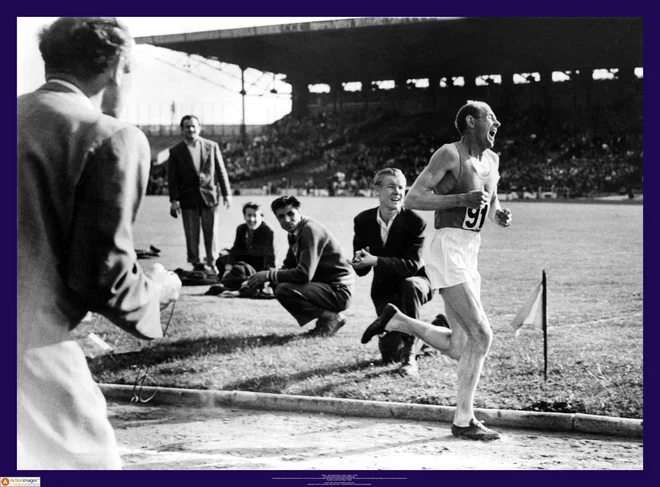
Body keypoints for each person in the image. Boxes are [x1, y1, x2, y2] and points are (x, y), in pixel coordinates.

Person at [17, 17, 182, 469]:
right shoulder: (109, 135)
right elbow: (104, 277)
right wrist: (158, 290)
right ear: (116, 67)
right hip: (30, 350)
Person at [361, 100, 512, 440]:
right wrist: (460, 200)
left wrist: (499, 214)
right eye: (492, 118)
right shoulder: (449, 154)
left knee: (461, 345)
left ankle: (397, 321)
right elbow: (413, 198)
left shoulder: (492, 160)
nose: (497, 124)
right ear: (472, 122)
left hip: (470, 250)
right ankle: (463, 420)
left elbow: (491, 200)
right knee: (483, 335)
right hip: (447, 247)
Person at [352, 168, 442, 377]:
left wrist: (375, 260)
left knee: (409, 285)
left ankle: (410, 359)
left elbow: (411, 265)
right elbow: (363, 270)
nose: (398, 192)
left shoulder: (415, 222)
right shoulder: (363, 220)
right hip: (386, 289)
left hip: (419, 281)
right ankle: (436, 327)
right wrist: (359, 263)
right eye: (391, 186)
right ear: (377, 190)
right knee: (390, 354)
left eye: (401, 187)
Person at [245, 196, 354, 336]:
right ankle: (325, 323)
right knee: (277, 284)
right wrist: (261, 280)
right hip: (326, 287)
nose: (287, 220)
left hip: (339, 291)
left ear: (299, 211)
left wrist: (268, 275)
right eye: (281, 216)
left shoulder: (309, 230)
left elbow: (303, 274)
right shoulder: (295, 232)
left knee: (284, 289)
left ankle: (331, 318)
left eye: (291, 214)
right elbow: (288, 265)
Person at [167, 114, 232, 274]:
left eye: (193, 126)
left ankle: (212, 262)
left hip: (209, 196)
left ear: (199, 128)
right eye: (187, 126)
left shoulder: (212, 146)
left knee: (211, 232)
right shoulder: (176, 151)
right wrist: (174, 200)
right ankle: (195, 262)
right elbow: (172, 178)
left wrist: (227, 193)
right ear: (182, 129)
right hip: (188, 197)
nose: (190, 129)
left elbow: (221, 171)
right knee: (191, 232)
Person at [214, 202, 276, 293]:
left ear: (261, 216)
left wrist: (265, 277)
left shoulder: (267, 231)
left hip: (258, 266)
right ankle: (230, 277)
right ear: (244, 216)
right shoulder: (241, 228)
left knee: (240, 269)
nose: (251, 219)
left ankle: (235, 279)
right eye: (249, 215)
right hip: (243, 261)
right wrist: (228, 268)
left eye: (255, 216)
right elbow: (235, 250)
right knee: (221, 260)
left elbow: (269, 258)